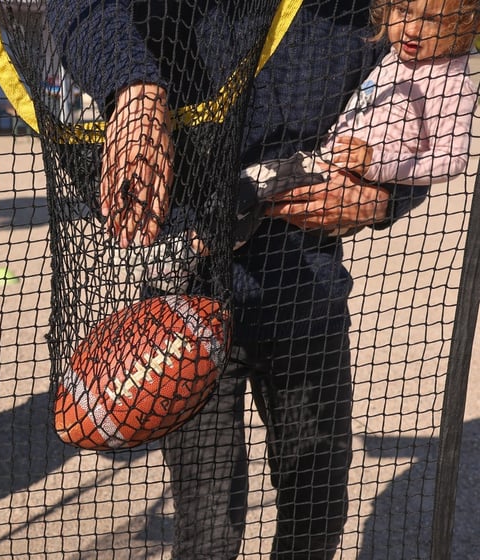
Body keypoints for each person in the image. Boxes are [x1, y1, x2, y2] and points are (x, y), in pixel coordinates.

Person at [46, 0, 455, 557]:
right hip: (186, 308)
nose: (414, 26)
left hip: (307, 293)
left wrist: (382, 198)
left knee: (317, 502)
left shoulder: (372, 15)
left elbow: (420, 129)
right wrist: (136, 89)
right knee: (209, 527)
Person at [124, 0, 480, 293]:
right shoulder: (394, 55)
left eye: (433, 20)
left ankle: (189, 253)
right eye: (403, 12)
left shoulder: (449, 79)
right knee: (252, 193)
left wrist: (379, 179)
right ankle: (192, 255)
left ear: (464, 25)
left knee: (254, 185)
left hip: (322, 206)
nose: (413, 29)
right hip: (309, 175)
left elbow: (451, 159)